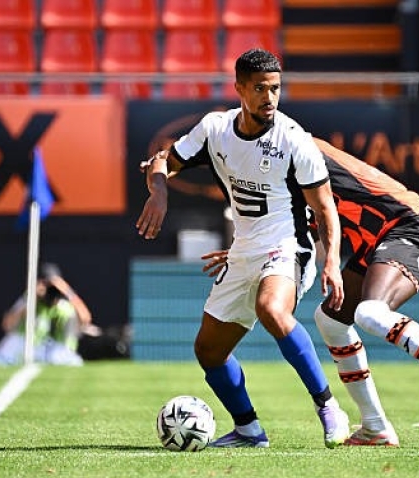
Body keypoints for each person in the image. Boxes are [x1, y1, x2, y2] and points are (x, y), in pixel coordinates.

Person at [202, 137, 419, 447]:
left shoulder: (295, 149)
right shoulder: (278, 165)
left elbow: (313, 209)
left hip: (409, 225)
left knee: (370, 312)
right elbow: (293, 222)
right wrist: (242, 253)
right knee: (331, 319)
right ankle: (375, 427)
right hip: (374, 240)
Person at [136, 49, 350, 449]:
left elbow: (325, 208)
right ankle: (250, 430)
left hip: (288, 247)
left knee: (272, 309)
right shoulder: (214, 129)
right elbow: (164, 160)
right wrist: (160, 192)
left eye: (275, 89)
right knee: (208, 351)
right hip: (243, 251)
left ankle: (328, 407)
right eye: (260, 89)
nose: (269, 98)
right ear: (239, 89)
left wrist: (332, 262)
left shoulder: (293, 139)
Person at [0, 262, 93, 366]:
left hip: (58, 350)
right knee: (1, 357)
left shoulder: (66, 305)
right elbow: (8, 325)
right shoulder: (28, 300)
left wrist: (67, 291)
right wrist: (32, 297)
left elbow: (85, 319)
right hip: (32, 347)